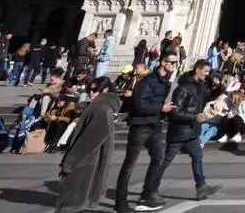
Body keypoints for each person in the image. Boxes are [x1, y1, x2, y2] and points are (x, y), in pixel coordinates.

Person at [148, 60, 219, 207]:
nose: (207, 74)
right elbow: (175, 112)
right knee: (165, 161)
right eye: (205, 71)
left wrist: (220, 89)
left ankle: (201, 186)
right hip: (179, 133)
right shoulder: (183, 88)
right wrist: (194, 117)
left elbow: (208, 96)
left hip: (192, 131)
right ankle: (151, 189)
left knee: (197, 157)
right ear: (197, 70)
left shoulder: (200, 86)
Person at [114, 50, 178, 213]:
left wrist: (166, 110)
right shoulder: (147, 81)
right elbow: (140, 105)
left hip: (154, 125)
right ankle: (120, 204)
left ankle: (147, 194)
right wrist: (161, 108)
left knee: (159, 157)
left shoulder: (165, 82)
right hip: (140, 126)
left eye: (176, 62)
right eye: (172, 62)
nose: (174, 65)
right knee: (130, 164)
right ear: (163, 62)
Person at [55, 77, 120, 213]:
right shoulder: (100, 106)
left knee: (71, 203)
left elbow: (90, 139)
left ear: (105, 90)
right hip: (89, 160)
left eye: (95, 90)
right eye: (89, 89)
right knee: (75, 202)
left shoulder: (101, 107)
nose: (91, 92)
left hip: (85, 161)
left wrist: (70, 162)